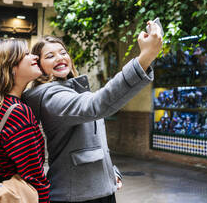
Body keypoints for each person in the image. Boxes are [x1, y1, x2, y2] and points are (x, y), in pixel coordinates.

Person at [23, 21, 162, 203]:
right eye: (50, 56)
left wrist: (110, 173)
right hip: (77, 196)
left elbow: (88, 145)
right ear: (39, 66)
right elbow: (97, 105)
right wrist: (144, 58)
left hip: (98, 190)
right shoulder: (50, 97)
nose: (60, 58)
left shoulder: (72, 90)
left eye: (63, 52)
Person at [0, 39, 50, 203]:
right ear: (11, 68)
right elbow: (35, 178)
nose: (34, 57)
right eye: (26, 54)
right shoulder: (17, 112)